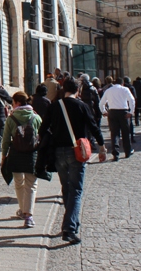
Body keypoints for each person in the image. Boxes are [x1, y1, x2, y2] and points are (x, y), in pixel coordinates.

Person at [42, 77, 107, 244]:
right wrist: (102, 147)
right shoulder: (82, 106)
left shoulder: (54, 106)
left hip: (58, 152)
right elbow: (93, 127)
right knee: (76, 190)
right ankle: (69, 228)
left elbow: (43, 128)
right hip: (76, 151)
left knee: (67, 188)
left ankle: (72, 221)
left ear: (64, 89)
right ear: (78, 90)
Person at [1, 91, 42, 228]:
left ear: (17, 103)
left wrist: (4, 156)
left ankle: (22, 209)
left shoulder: (11, 118)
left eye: (13, 102)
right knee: (31, 184)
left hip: (16, 155)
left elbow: (6, 140)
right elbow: (42, 136)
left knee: (19, 183)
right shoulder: (36, 117)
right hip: (32, 155)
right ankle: (28, 216)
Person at [100, 76, 135, 160]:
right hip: (123, 112)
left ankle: (115, 154)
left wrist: (104, 111)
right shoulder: (125, 89)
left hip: (112, 112)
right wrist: (131, 111)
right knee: (126, 132)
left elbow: (101, 103)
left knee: (114, 133)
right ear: (122, 83)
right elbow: (131, 100)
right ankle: (127, 151)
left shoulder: (108, 90)